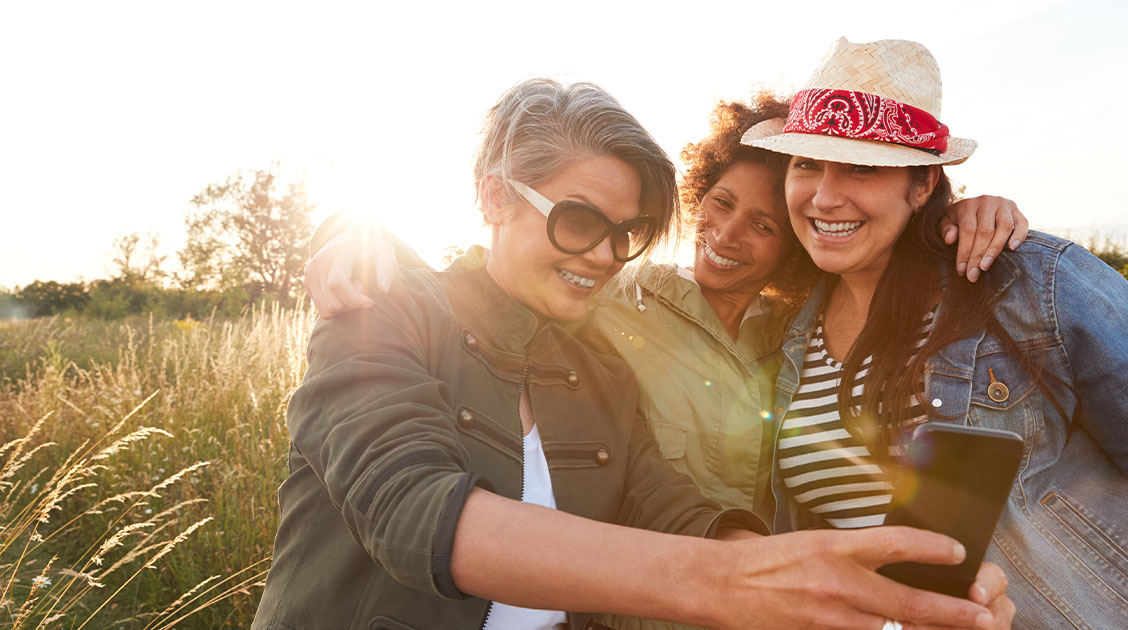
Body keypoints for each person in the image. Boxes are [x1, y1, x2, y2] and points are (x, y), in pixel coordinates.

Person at [254, 78, 1012, 630]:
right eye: (580, 220)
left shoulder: (598, 365)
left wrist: (816, 576)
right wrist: (736, 580)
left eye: (629, 233)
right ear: (493, 198)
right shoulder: (382, 316)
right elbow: (408, 507)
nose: (608, 255)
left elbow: (663, 499)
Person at [742, 38, 1128, 629]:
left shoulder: (1034, 283)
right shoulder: (785, 336)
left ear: (924, 183)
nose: (826, 195)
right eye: (806, 164)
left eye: (863, 166)